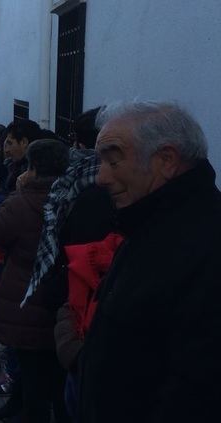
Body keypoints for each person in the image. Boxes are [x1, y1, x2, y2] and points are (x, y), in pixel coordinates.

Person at [78, 101, 221, 423]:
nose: (100, 177)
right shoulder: (147, 225)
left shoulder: (205, 249)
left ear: (166, 161)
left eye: (113, 161)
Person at [0, 139, 71, 423]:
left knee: (31, 368)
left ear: (33, 168)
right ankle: (16, 405)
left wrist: (13, 194)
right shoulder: (72, 194)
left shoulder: (25, 201)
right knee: (38, 364)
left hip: (28, 294)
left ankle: (28, 413)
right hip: (59, 294)